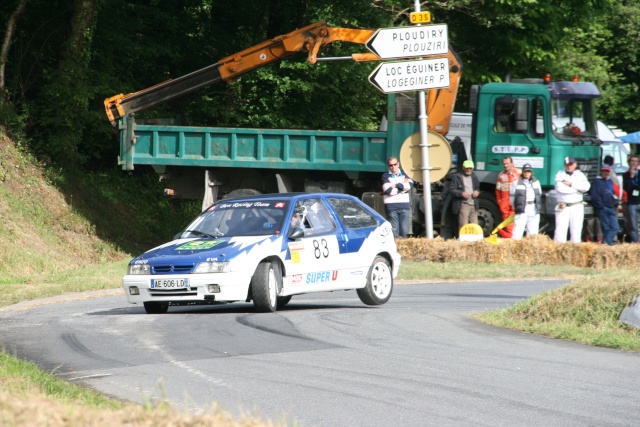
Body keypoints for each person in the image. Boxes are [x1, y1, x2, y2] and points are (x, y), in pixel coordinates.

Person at [554, 156, 591, 243]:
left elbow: (587, 187)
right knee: (560, 229)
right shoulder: (560, 174)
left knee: (576, 229)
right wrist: (577, 190)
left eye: (571, 164)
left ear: (575, 165)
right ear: (564, 165)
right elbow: (560, 188)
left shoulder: (579, 174)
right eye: (567, 165)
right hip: (563, 205)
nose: (569, 166)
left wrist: (571, 184)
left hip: (577, 205)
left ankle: (575, 248)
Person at [382, 156, 414, 238]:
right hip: (391, 207)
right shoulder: (385, 176)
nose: (393, 167)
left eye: (395, 164)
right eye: (390, 165)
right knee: (394, 231)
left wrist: (395, 185)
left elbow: (410, 185)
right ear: (388, 166)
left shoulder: (405, 174)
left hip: (404, 206)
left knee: (404, 230)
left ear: (398, 164)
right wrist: (403, 188)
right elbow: (388, 190)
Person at [589, 165, 620, 245]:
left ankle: (605, 243)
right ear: (601, 171)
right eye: (604, 171)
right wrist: (601, 206)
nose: (605, 173)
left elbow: (613, 192)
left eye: (607, 171)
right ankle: (607, 244)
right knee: (606, 228)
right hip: (603, 208)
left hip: (610, 207)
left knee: (615, 227)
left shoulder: (609, 181)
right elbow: (594, 196)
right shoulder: (596, 181)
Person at [509, 164, 541, 240]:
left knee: (533, 233)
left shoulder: (536, 182)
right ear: (522, 172)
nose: (527, 173)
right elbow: (512, 197)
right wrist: (515, 207)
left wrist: (537, 208)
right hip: (522, 208)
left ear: (531, 172)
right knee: (517, 232)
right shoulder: (516, 183)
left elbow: (539, 195)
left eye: (529, 171)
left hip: (533, 208)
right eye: (525, 171)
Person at [495, 156, 521, 238]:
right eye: (504, 164)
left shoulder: (519, 172)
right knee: (506, 220)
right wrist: (500, 201)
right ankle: (510, 237)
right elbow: (498, 190)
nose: (505, 165)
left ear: (512, 163)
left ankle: (512, 237)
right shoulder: (501, 175)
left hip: (516, 200)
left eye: (507, 163)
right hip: (505, 201)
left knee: (515, 219)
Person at [450, 159, 480, 228]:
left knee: (475, 226)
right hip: (463, 204)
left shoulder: (474, 176)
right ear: (463, 167)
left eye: (470, 168)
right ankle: (463, 238)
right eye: (467, 168)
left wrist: (477, 192)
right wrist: (461, 193)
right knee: (463, 225)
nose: (469, 170)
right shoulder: (457, 177)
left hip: (473, 204)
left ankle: (474, 239)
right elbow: (452, 190)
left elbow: (477, 188)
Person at [622, 155, 640, 243]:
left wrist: (635, 186)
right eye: (632, 161)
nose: (634, 163)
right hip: (632, 202)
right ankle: (636, 243)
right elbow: (627, 188)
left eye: (636, 161)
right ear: (629, 163)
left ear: (638, 163)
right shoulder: (625, 175)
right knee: (633, 225)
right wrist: (631, 177)